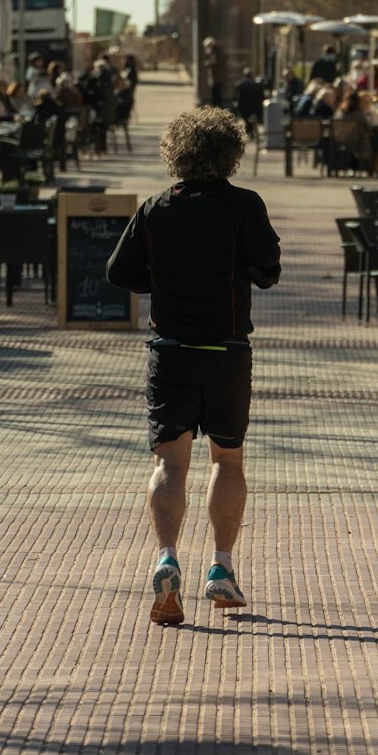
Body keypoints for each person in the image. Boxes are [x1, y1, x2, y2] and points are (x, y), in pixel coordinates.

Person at [106, 106, 281, 627]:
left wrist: (162, 282)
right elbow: (268, 272)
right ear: (231, 153)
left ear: (176, 153)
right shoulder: (244, 206)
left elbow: (120, 272)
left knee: (170, 464)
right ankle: (221, 568)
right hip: (226, 350)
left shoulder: (155, 208)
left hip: (171, 349)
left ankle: (166, 558)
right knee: (227, 460)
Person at [235, 67, 264, 138]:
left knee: (247, 121)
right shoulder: (255, 84)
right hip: (253, 108)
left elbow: (237, 96)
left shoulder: (241, 84)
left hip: (244, 108)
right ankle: (250, 132)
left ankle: (249, 132)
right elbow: (260, 96)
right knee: (250, 121)